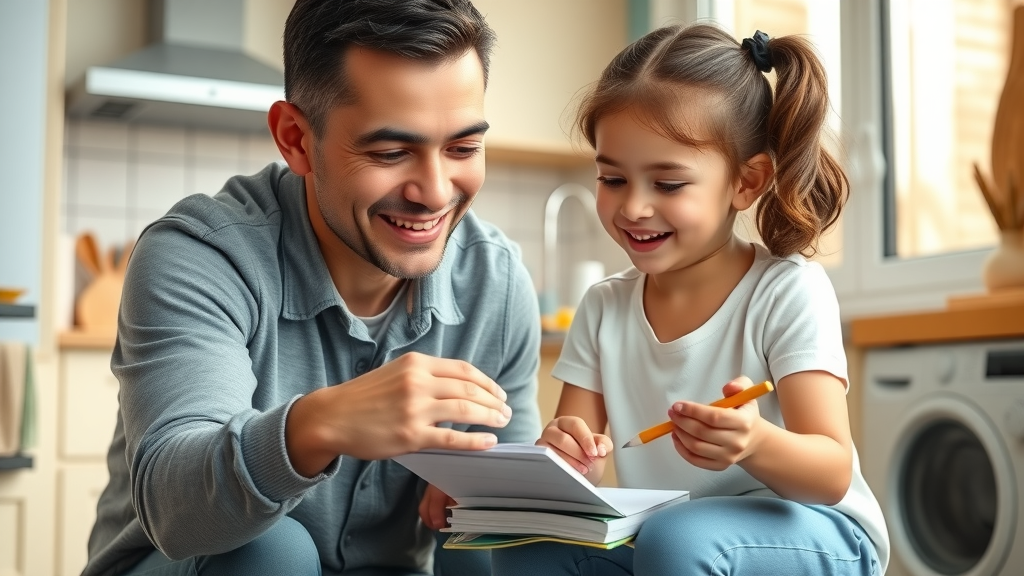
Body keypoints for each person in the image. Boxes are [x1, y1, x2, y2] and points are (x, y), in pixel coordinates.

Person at [81, 1, 542, 575]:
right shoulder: (198, 256)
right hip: (194, 566)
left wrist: (529, 485)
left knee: (496, 531)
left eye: (464, 148)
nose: (435, 191)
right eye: (391, 152)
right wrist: (318, 426)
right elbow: (177, 514)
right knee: (272, 550)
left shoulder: (495, 281)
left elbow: (511, 490)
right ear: (296, 138)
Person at [492, 24, 889, 576]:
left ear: (746, 183)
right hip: (670, 535)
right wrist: (566, 454)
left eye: (668, 184)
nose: (633, 208)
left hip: (820, 529)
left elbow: (830, 473)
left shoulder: (786, 291)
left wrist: (754, 442)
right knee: (522, 547)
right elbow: (580, 468)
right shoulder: (604, 306)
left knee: (678, 539)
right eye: (612, 178)